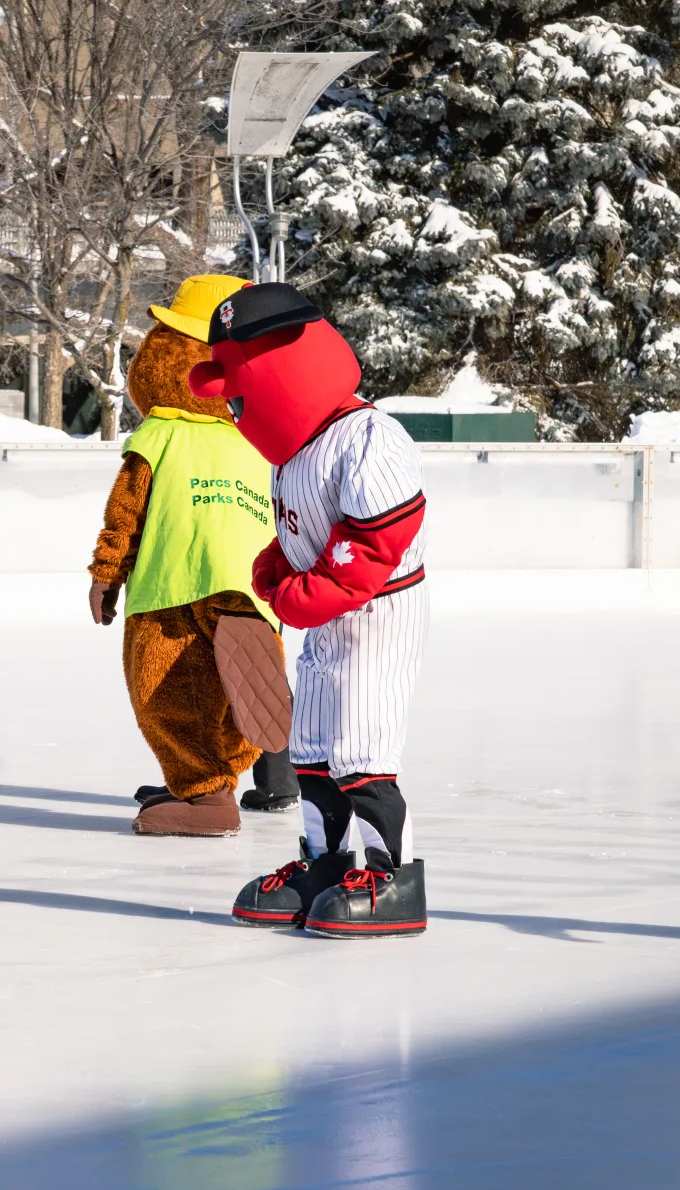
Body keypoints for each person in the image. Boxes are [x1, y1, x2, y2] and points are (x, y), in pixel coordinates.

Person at [187, 284, 430, 938]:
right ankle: (325, 863)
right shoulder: (295, 451)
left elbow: (382, 530)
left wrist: (317, 586)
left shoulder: (370, 434)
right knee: (315, 749)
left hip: (377, 615)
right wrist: (281, 560)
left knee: (361, 746)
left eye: (240, 392)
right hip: (328, 620)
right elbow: (305, 524)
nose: (236, 408)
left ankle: (390, 875)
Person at [87, 273, 298, 836]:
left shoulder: (159, 433)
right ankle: (213, 778)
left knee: (166, 688)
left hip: (172, 585)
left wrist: (106, 575)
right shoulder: (259, 441)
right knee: (236, 695)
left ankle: (205, 794)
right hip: (253, 586)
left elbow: (125, 512)